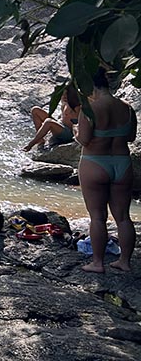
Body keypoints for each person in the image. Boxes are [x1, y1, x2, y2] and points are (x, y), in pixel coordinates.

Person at [76, 69, 137, 274]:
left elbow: (84, 139)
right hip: (121, 163)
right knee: (123, 217)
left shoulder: (89, 109)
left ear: (91, 87)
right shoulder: (127, 109)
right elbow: (130, 137)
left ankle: (97, 263)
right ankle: (125, 262)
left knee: (97, 216)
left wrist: (76, 130)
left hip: (95, 163)